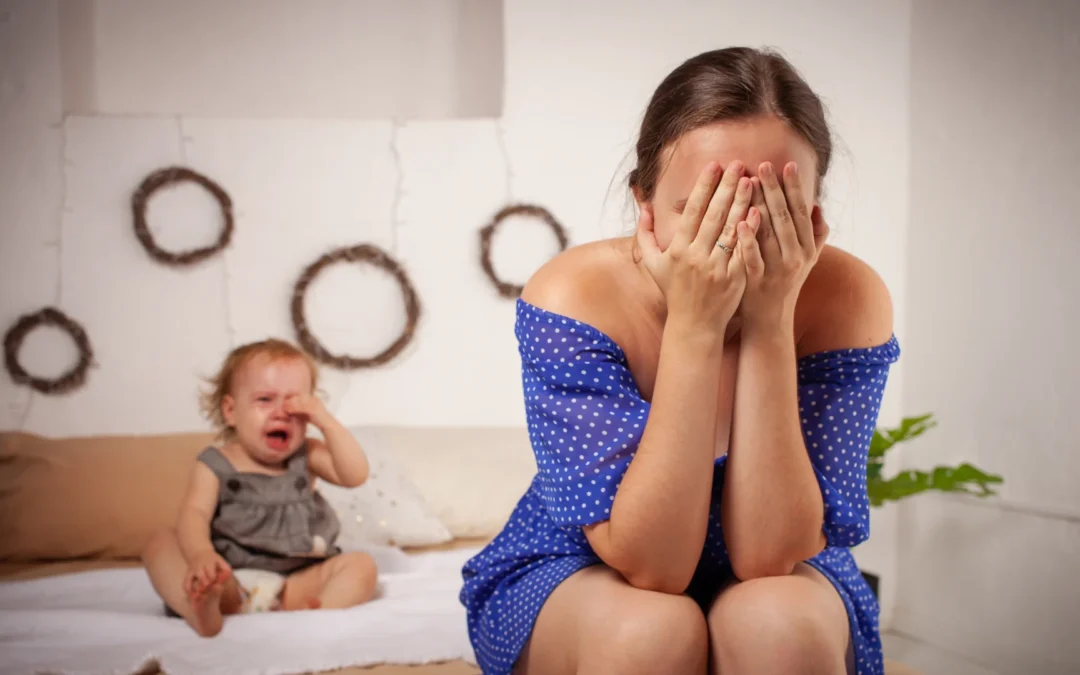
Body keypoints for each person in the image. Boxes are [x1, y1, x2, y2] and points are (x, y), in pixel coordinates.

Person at [459, 46, 899, 675]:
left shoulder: (848, 297)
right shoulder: (575, 295)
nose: (737, 237)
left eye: (773, 209)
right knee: (651, 633)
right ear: (644, 203)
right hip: (586, 565)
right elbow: (652, 566)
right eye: (703, 209)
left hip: (786, 569)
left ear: (814, 211)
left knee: (779, 627)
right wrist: (696, 326)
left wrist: (771, 321)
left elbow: (770, 558)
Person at [143, 338, 377, 636]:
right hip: (228, 582)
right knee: (160, 543)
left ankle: (320, 615)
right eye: (265, 399)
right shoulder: (216, 463)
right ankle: (199, 610)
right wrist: (202, 555)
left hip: (295, 584)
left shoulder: (307, 454)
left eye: (295, 403)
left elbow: (355, 475)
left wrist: (326, 422)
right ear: (231, 410)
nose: (281, 412)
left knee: (361, 565)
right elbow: (194, 514)